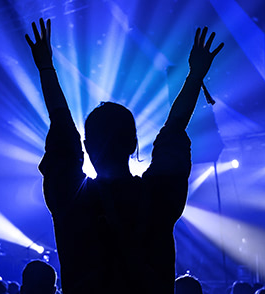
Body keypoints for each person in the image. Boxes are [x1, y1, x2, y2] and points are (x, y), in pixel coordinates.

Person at [25, 18, 223, 294]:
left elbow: (61, 130)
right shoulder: (158, 195)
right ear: (134, 144)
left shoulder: (70, 197)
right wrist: (195, 76)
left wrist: (46, 67)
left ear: (87, 145)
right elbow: (174, 129)